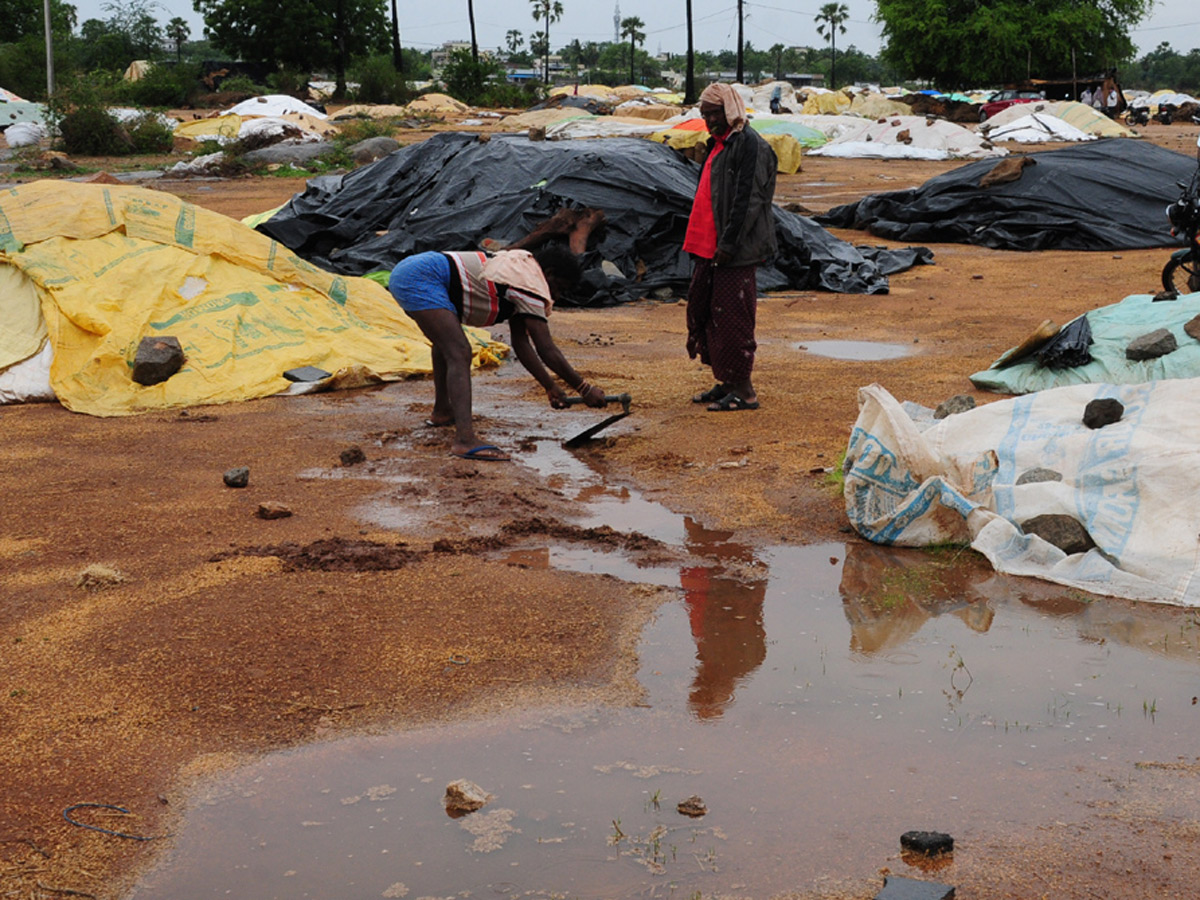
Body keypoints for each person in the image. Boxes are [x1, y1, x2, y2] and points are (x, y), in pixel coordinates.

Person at [387, 208, 609, 461]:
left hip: (416, 270)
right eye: (558, 288)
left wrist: (550, 386)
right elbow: (546, 349)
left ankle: (442, 411)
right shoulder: (531, 284)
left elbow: (522, 345)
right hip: (422, 277)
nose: (555, 297)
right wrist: (584, 388)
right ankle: (464, 440)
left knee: (445, 344)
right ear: (549, 275)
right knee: (459, 351)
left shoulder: (519, 272)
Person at [682, 82, 778, 412]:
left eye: (713, 113)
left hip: (732, 249)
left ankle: (745, 391)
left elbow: (748, 201)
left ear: (730, 110)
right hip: (709, 246)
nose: (709, 120)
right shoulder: (719, 144)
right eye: (704, 114)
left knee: (734, 316)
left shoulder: (749, 145)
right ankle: (727, 382)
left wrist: (729, 243)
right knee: (709, 314)